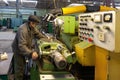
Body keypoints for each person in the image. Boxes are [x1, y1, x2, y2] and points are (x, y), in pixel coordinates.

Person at [12, 15, 46, 80]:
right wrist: (31, 53)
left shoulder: (32, 27)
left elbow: (38, 34)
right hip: (18, 50)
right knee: (19, 67)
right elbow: (21, 46)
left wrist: (46, 39)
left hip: (24, 47)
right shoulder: (22, 30)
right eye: (35, 24)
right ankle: (18, 78)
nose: (36, 26)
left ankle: (23, 74)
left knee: (23, 64)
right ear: (31, 23)